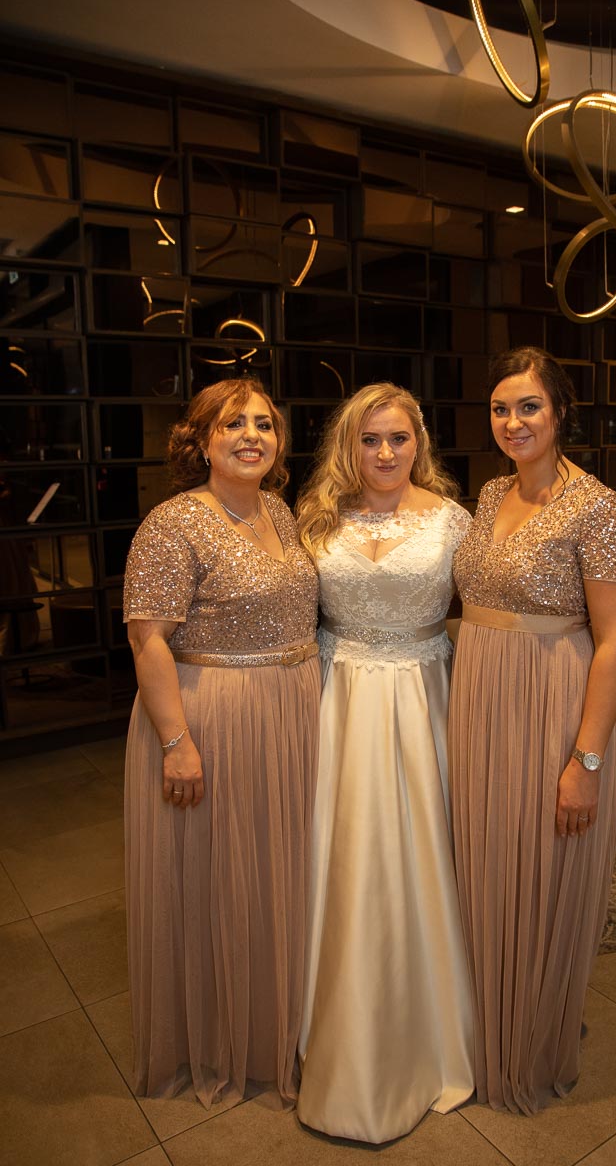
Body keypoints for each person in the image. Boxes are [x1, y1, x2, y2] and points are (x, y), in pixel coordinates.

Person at [449, 347, 616, 1115]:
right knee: (485, 866)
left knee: (540, 874)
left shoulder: (598, 508)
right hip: (479, 698)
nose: (512, 421)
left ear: (560, 411)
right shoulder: (491, 492)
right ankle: (482, 1026)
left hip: (550, 705)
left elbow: (615, 641)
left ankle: (528, 1041)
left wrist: (583, 760)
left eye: (528, 406)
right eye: (500, 408)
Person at [123, 377, 320, 1109]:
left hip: (293, 713)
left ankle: (278, 1024)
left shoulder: (280, 511)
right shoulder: (172, 523)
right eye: (232, 424)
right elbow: (147, 641)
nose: (250, 436)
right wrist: (176, 741)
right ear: (200, 440)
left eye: (264, 424)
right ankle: (220, 1036)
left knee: (279, 875)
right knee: (222, 879)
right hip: (217, 719)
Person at [295, 382, 474, 1142]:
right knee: (338, 855)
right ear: (349, 446)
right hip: (334, 700)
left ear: (419, 443)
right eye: (370, 439)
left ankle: (427, 1024)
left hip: (421, 698)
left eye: (399, 438)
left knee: (417, 853)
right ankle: (326, 1022)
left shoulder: (455, 521)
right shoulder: (314, 518)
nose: (386, 452)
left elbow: (495, 609)